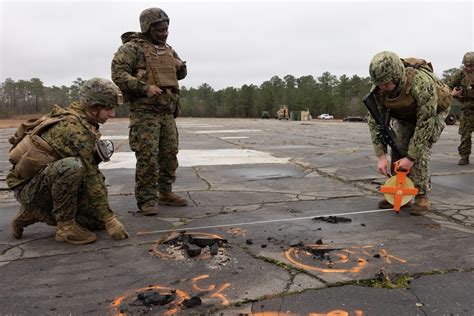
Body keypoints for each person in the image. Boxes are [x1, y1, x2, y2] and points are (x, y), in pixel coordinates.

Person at [6, 78, 129, 244]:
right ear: (94, 107)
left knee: (95, 222)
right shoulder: (74, 129)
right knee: (71, 166)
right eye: (108, 108)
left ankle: (33, 213)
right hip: (28, 189)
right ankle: (66, 227)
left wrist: (104, 218)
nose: (112, 114)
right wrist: (110, 219)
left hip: (41, 182)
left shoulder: (81, 119)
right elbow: (91, 176)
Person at [111, 7, 188, 216]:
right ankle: (146, 200)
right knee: (147, 157)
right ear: (147, 28)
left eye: (166, 29)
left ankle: (166, 192)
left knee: (169, 155)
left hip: (167, 112)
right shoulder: (131, 49)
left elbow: (181, 74)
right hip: (145, 114)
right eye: (159, 30)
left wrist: (180, 65)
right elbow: (118, 74)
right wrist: (145, 88)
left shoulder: (168, 49)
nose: (164, 33)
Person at [367, 51, 448, 215]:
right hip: (406, 116)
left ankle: (421, 195)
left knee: (418, 150)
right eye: (379, 84)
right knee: (399, 147)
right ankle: (400, 193)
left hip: (431, 114)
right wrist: (381, 156)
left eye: (386, 83)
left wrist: (411, 158)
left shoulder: (421, 83)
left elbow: (425, 122)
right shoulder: (379, 88)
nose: (382, 87)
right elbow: (375, 121)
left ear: (396, 77)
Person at [450, 52, 474, 165]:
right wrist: (453, 94)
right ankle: (464, 156)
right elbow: (450, 87)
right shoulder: (460, 75)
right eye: (466, 65)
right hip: (467, 109)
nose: (468, 68)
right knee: (465, 135)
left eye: (471, 66)